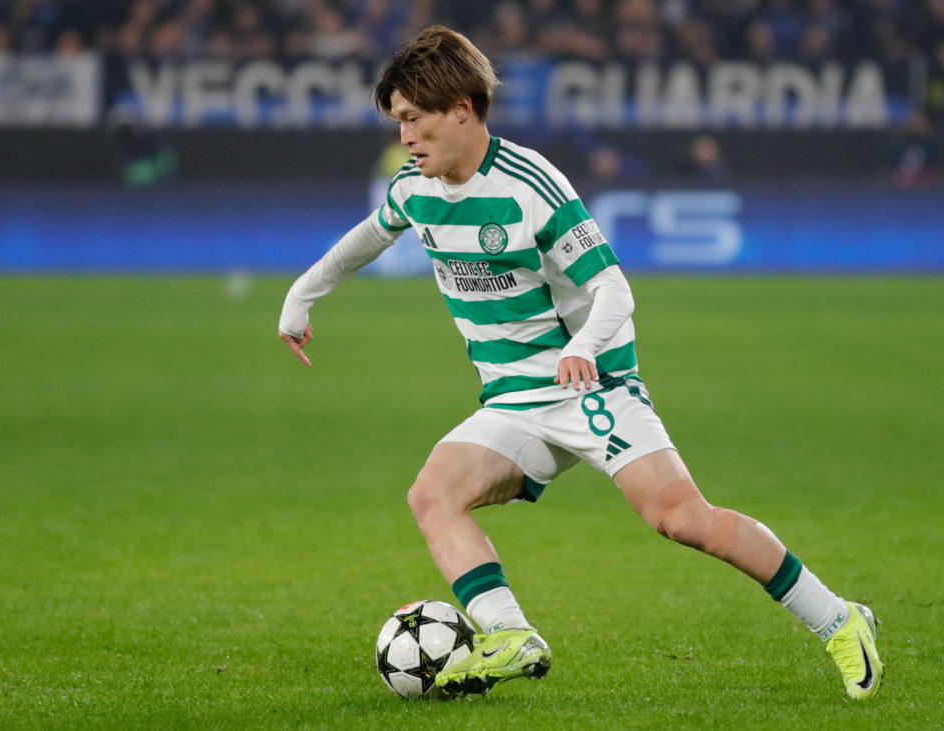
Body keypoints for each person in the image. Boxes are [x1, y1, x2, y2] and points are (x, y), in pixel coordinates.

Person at [278, 25, 884, 700]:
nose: (406, 138)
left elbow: (615, 290)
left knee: (682, 519)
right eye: (398, 123)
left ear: (462, 108)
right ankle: (511, 635)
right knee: (433, 493)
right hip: (513, 398)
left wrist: (579, 348)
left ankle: (839, 616)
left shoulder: (531, 184)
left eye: (414, 120)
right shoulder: (414, 189)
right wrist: (302, 297)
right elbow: (366, 238)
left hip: (591, 382)